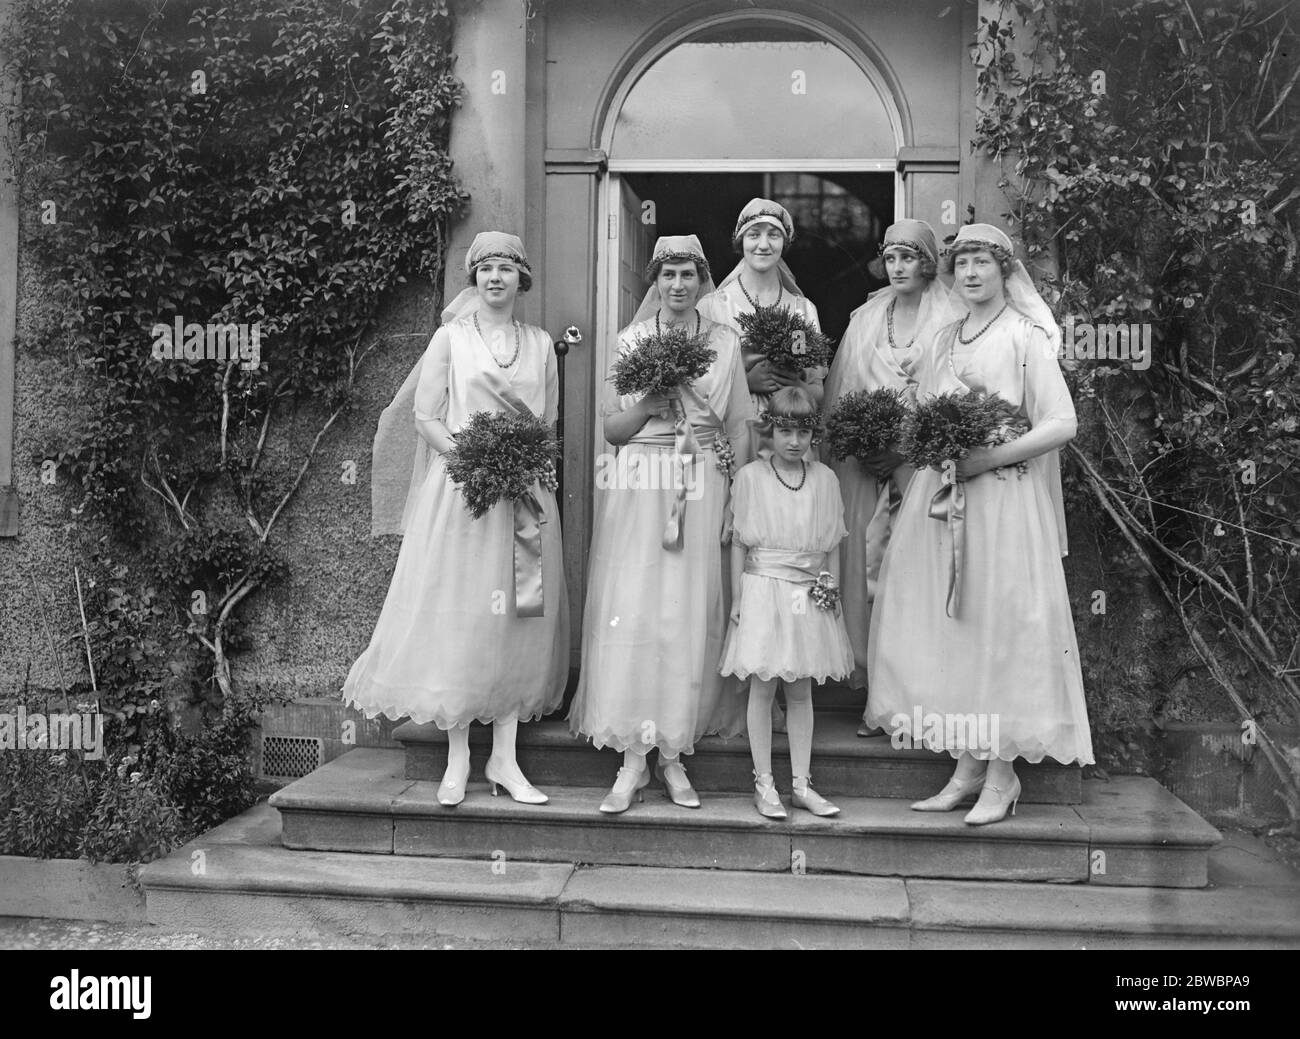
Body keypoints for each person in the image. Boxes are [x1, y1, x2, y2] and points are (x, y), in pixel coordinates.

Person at [864, 223, 1094, 825]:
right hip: (943, 497)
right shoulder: (943, 339)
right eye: (960, 263)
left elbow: (1062, 421)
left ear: (1003, 271)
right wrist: (934, 443)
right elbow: (928, 411)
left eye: (981, 264)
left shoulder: (1024, 336)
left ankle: (1002, 775)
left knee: (1001, 629)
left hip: (1003, 499)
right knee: (956, 627)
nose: (969, 274)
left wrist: (989, 455)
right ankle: (967, 765)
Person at [344, 232, 569, 807]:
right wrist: (473, 460)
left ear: (523, 279)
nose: (496, 278)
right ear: (475, 278)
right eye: (486, 268)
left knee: (519, 616)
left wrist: (520, 466)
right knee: (462, 615)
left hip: (522, 492)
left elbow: (545, 421)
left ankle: (505, 757)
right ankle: (459, 756)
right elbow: (426, 416)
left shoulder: (541, 343)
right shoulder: (451, 338)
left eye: (507, 269)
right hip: (463, 490)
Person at [568, 235, 754, 813]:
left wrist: (737, 498)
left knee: (684, 611)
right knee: (639, 606)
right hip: (643, 481)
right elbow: (611, 431)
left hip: (702, 480)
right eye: (669, 273)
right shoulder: (631, 342)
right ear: (655, 279)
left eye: (689, 274)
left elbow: (741, 425)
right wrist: (649, 406)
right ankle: (632, 759)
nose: (678, 284)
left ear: (703, 280)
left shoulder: (724, 342)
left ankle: (673, 752)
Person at [821, 219, 962, 725]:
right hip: (865, 465)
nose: (900, 267)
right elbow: (844, 390)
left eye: (910, 258)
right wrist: (862, 441)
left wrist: (905, 447)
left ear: (927, 263)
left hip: (920, 466)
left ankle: (915, 693)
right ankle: (868, 684)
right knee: (861, 566)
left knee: (913, 572)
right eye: (893, 258)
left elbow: (953, 399)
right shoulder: (866, 317)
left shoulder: (950, 317)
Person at [699, 197, 824, 732]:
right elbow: (701, 381)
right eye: (753, 235)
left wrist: (790, 387)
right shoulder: (718, 305)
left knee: (781, 547)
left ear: (785, 244)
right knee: (738, 539)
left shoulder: (801, 312)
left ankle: (780, 674)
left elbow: (816, 382)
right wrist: (749, 379)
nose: (763, 244)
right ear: (740, 242)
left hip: (786, 436)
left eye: (773, 235)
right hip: (735, 431)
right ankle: (737, 680)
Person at [722, 386, 855, 820]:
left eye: (802, 432)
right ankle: (765, 784)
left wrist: (829, 589)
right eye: (784, 431)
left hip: (805, 593)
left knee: (800, 690)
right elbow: (739, 543)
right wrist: (739, 599)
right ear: (770, 431)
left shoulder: (825, 479)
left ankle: (801, 783)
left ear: (813, 434)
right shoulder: (750, 478)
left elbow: (832, 542)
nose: (793, 441)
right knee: (763, 686)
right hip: (763, 589)